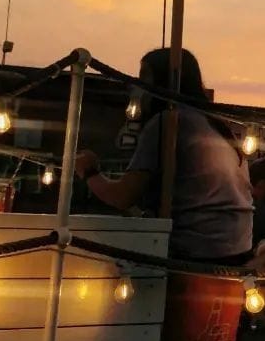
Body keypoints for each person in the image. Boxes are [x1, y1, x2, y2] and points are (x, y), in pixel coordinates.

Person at [75, 48, 251, 264]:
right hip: (238, 249)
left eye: (144, 78)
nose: (139, 86)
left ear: (162, 81)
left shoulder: (169, 122)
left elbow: (122, 196)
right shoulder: (220, 125)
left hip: (196, 252)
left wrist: (89, 171)